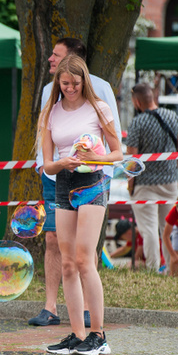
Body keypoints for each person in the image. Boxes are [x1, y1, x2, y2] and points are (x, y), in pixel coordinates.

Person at [30, 37, 122, 328]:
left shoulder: (99, 107)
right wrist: (63, 163)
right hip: (63, 180)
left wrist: (95, 158)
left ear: (84, 81)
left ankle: (97, 332)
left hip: (92, 180)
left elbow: (118, 153)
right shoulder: (51, 111)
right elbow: (48, 163)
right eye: (64, 85)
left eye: (75, 84)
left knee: (84, 260)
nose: (69, 89)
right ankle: (77, 334)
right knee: (67, 262)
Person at [124, 82, 178, 272]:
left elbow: (132, 160)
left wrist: (130, 185)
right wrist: (171, 168)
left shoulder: (138, 123)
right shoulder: (172, 116)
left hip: (144, 184)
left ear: (137, 101)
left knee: (149, 230)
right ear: (153, 97)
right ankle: (171, 267)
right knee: (167, 227)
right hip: (169, 183)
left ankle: (153, 269)